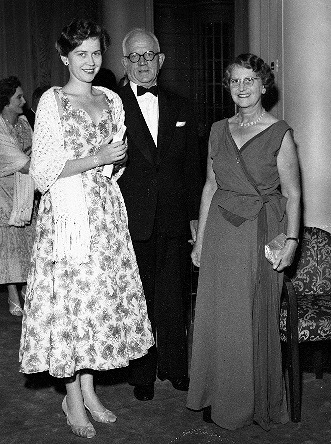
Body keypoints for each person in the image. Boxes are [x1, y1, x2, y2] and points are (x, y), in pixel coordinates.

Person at [19, 19, 154, 439]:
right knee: (71, 309)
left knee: (95, 305)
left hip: (105, 214)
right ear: (65, 57)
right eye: (81, 54)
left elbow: (116, 162)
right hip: (67, 219)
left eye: (96, 53)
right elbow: (43, 172)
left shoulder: (112, 98)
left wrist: (115, 158)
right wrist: (96, 158)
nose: (91, 62)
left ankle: (90, 391)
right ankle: (71, 399)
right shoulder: (53, 103)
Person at [186, 53, 301, 431]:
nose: (241, 87)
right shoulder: (219, 129)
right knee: (217, 317)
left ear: (264, 85)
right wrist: (200, 241)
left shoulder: (279, 131)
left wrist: (291, 241)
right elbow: (210, 185)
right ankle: (215, 394)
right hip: (219, 231)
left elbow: (294, 194)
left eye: (249, 80)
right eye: (234, 81)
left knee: (247, 318)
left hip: (259, 232)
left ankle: (246, 403)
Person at [118, 28, 203, 401]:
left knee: (173, 294)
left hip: (172, 217)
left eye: (148, 55)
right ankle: (142, 375)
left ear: (161, 60)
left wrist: (194, 218)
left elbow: (193, 167)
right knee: (138, 298)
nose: (142, 63)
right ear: (124, 63)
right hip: (130, 218)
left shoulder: (182, 105)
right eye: (134, 57)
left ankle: (175, 366)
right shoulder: (111, 105)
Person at [0, 76, 36, 316]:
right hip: (5, 191)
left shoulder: (24, 122)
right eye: (19, 97)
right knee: (10, 244)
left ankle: (26, 288)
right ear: (5, 102)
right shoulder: (0, 128)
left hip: (26, 190)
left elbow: (38, 150)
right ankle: (13, 293)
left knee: (28, 241)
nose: (23, 101)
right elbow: (21, 163)